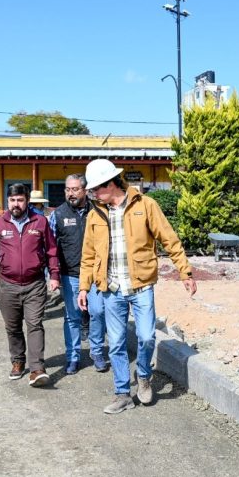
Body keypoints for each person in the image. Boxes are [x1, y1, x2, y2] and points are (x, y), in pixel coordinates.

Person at [78, 159, 197, 414]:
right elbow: (88, 254)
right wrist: (83, 288)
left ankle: (143, 375)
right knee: (118, 343)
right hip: (111, 290)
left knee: (146, 337)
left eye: (96, 189)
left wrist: (184, 271)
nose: (94, 194)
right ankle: (122, 393)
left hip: (141, 285)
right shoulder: (94, 215)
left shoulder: (145, 206)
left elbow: (169, 238)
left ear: (111, 184)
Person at [0, 183, 59, 388]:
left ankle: (37, 369)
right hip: (8, 285)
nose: (16, 204)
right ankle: (17, 361)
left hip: (35, 284)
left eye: (20, 200)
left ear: (27, 201)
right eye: (12, 200)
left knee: (35, 325)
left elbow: (51, 251)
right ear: (8, 201)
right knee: (13, 327)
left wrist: (54, 275)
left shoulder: (40, 222)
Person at [49, 173, 108, 376]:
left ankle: (97, 351)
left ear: (85, 190)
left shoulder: (100, 211)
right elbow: (51, 247)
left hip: (96, 274)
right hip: (70, 274)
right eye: (67, 189)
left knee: (97, 312)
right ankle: (72, 357)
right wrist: (53, 274)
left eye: (75, 189)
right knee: (72, 317)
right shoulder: (58, 215)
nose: (70, 193)